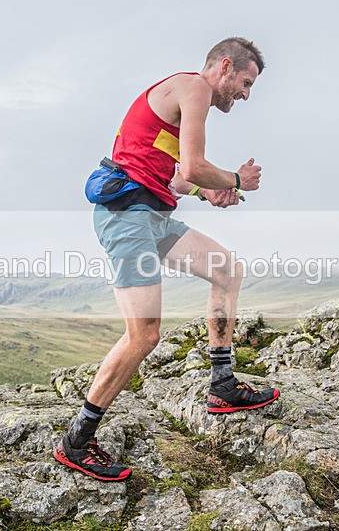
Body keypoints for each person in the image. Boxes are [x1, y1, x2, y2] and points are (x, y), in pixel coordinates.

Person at [53, 37, 279, 482]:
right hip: (129, 218)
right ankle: (76, 442)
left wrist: (206, 190)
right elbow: (194, 165)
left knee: (226, 269)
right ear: (226, 67)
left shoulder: (181, 100)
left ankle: (222, 386)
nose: (246, 95)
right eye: (246, 83)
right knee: (144, 335)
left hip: (153, 216)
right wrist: (235, 178)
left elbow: (177, 175)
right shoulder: (193, 87)